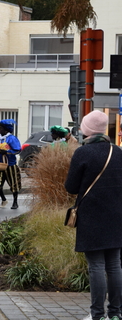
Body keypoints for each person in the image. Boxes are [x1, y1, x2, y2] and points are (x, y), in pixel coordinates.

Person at [65, 110, 122, 320]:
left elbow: (71, 187)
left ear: (87, 130)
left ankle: (97, 315)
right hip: (117, 215)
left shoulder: (83, 153)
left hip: (92, 217)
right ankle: (116, 314)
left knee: (96, 265)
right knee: (115, 265)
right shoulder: (118, 151)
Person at [0, 119, 22, 210]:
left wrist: (7, 152)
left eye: (1, 128)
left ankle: (15, 202)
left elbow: (17, 150)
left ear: (6, 130)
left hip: (10, 165)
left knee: (13, 183)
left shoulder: (12, 138)